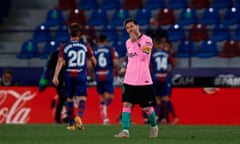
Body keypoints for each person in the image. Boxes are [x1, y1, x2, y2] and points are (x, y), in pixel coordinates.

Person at [114, 18, 158, 138]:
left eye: (131, 26)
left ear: (137, 26)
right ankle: (125, 131)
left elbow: (143, 57)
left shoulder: (147, 41)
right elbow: (131, 59)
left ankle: (154, 126)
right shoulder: (127, 42)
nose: (130, 29)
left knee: (146, 107)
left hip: (143, 80)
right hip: (129, 80)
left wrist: (136, 42)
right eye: (127, 28)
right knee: (127, 104)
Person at [52, 23, 96, 130]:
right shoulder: (85, 46)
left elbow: (60, 61)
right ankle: (79, 116)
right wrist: (93, 66)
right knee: (82, 98)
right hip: (81, 74)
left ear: (69, 33)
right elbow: (93, 60)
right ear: (79, 33)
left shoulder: (64, 46)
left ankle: (71, 124)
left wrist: (55, 76)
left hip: (69, 75)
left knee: (69, 99)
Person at [151, 35, 178, 125]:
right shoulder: (166, 53)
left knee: (157, 100)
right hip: (165, 78)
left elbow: (147, 64)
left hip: (155, 77)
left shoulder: (152, 53)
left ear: (154, 44)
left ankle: (157, 117)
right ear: (161, 44)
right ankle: (164, 119)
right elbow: (173, 63)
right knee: (165, 98)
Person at [93, 34, 119, 125]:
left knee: (102, 97)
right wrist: (116, 69)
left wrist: (93, 72)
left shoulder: (95, 51)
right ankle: (105, 114)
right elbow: (116, 63)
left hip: (98, 75)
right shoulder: (110, 49)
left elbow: (89, 64)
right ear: (105, 41)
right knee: (110, 97)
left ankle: (104, 118)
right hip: (107, 75)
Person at [39, 44, 67, 124]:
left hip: (61, 79)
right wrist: (53, 78)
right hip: (58, 80)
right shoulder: (57, 54)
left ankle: (61, 117)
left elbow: (49, 68)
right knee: (63, 96)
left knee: (63, 98)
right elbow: (50, 68)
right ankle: (61, 117)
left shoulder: (56, 54)